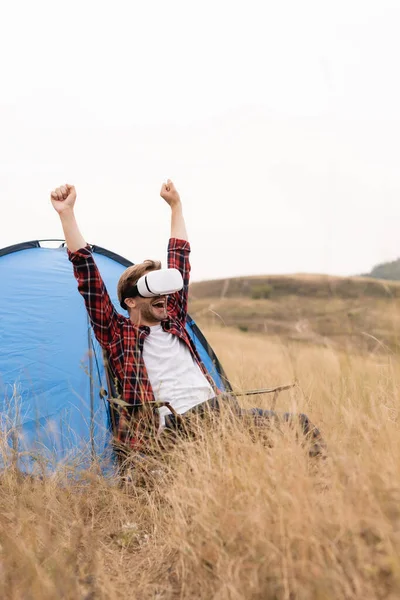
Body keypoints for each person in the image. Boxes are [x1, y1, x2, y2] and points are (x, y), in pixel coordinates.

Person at [50, 181, 325, 457]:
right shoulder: (118, 334)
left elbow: (180, 258)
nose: (163, 295)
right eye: (151, 288)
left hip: (221, 415)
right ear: (130, 301)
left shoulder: (175, 321)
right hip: (173, 429)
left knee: (299, 426)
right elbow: (88, 277)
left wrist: (176, 206)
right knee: (218, 411)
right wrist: (67, 214)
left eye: (164, 288)